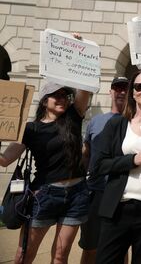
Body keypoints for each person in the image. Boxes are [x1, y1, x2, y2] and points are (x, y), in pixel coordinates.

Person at [0, 80, 92, 264]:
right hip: (44, 196)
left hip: (77, 195)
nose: (62, 99)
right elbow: (5, 160)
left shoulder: (73, 116)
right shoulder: (31, 129)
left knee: (60, 256)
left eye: (65, 95)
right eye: (56, 95)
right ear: (44, 101)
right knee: (24, 254)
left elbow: (85, 86)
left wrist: (81, 62)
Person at [93, 66, 141, 264]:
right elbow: (98, 165)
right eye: (140, 86)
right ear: (132, 92)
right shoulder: (116, 124)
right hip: (118, 208)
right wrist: (132, 160)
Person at [79, 76, 129, 264]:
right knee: (90, 246)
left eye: (125, 88)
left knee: (121, 248)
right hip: (96, 191)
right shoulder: (95, 122)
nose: (121, 91)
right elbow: (87, 154)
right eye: (117, 87)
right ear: (110, 91)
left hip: (121, 194)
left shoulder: (134, 121)